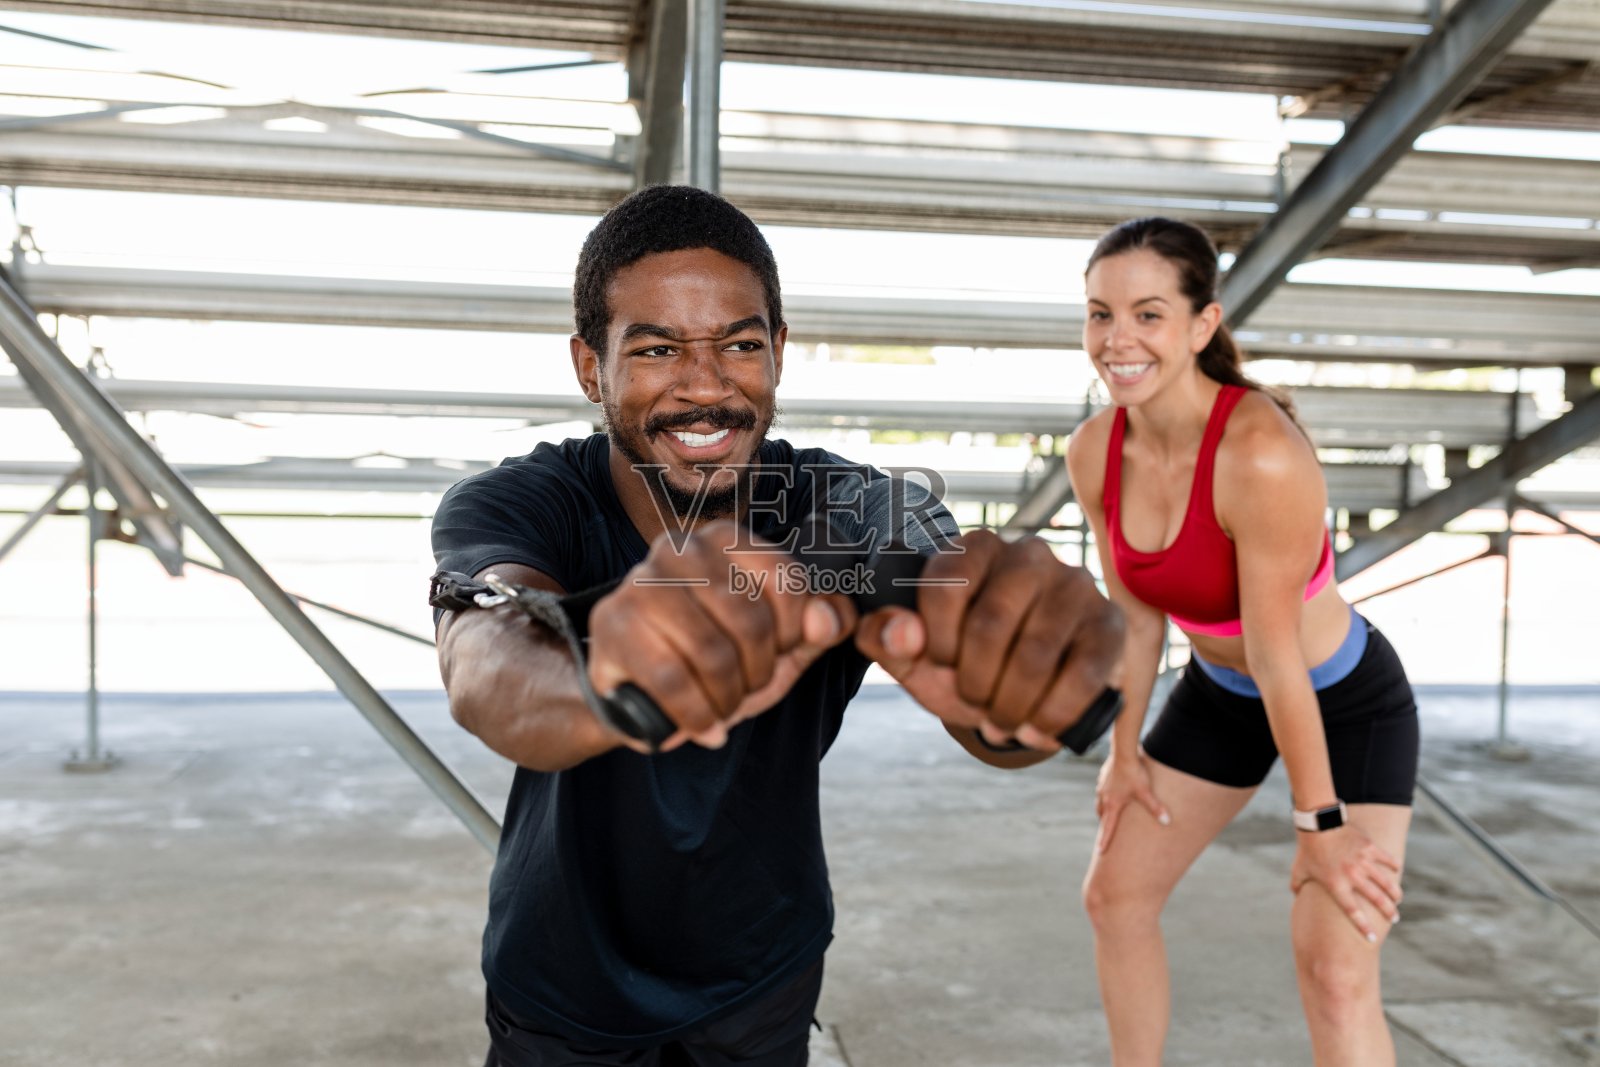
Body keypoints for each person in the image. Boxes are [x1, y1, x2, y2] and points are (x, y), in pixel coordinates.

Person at [430, 185, 1124, 1066]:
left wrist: (1009, 669)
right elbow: (487, 660)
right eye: (656, 348)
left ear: (780, 351)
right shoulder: (527, 500)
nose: (706, 386)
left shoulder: (837, 507)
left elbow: (935, 589)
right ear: (589, 366)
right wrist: (607, 674)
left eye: (741, 344)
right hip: (565, 984)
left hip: (762, 976)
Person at [1063, 217, 1420, 1066]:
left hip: (1341, 703)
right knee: (1115, 894)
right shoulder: (1093, 450)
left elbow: (1277, 654)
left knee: (1335, 964)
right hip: (1225, 698)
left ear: (1202, 324)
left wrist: (1320, 822)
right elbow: (1140, 618)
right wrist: (1124, 752)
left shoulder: (1259, 451)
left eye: (1148, 314)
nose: (1118, 340)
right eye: (1099, 314)